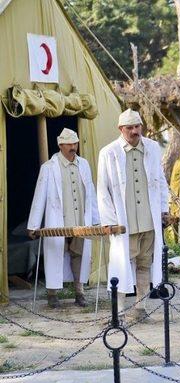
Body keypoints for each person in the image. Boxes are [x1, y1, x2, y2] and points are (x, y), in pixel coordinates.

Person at [97, 109, 170, 322]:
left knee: (144, 264)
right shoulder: (108, 153)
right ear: (121, 129)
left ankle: (140, 308)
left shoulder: (153, 148)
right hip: (124, 221)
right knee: (121, 265)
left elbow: (160, 180)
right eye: (129, 127)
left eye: (137, 126)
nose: (135, 131)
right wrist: (110, 221)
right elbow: (103, 190)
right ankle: (118, 311)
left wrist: (164, 208)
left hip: (148, 220)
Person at [27, 128, 100, 308]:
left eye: (75, 143)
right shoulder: (49, 168)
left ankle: (79, 292)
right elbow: (40, 196)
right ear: (61, 145)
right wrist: (33, 224)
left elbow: (90, 192)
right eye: (69, 144)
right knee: (56, 254)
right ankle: (52, 293)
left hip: (80, 222)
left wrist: (96, 220)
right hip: (58, 221)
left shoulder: (84, 165)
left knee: (79, 255)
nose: (73, 147)